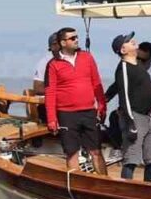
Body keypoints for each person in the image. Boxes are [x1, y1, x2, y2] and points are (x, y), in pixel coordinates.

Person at [44, 26, 108, 174]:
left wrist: (102, 105)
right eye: (72, 38)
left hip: (89, 112)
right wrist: (52, 119)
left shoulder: (87, 57)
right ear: (63, 42)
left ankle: (104, 182)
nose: (76, 40)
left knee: (96, 150)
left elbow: (96, 82)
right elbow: (50, 92)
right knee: (72, 152)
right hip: (66, 114)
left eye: (77, 37)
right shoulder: (53, 64)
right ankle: (75, 184)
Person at [110, 32, 151, 182]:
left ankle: (147, 187)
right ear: (123, 50)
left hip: (147, 117)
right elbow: (124, 96)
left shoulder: (138, 65)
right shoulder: (124, 67)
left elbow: (115, 87)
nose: (133, 40)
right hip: (134, 116)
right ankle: (126, 188)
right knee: (131, 159)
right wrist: (130, 122)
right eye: (128, 41)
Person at [32, 31, 60, 124]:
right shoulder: (44, 62)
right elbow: (37, 88)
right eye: (56, 44)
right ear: (51, 47)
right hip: (47, 105)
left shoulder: (70, 60)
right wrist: (61, 89)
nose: (59, 46)